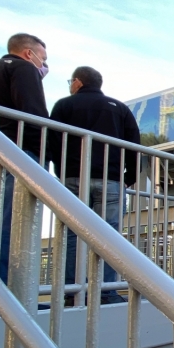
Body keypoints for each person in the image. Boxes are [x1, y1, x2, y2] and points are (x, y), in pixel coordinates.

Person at [49, 66, 141, 304]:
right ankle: (105, 291)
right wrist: (128, 177)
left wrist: (60, 171)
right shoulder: (119, 108)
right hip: (110, 180)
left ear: (78, 82)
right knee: (109, 236)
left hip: (73, 178)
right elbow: (134, 145)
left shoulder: (64, 105)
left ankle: (73, 293)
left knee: (72, 235)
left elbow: (52, 140)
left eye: (71, 81)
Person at [0, 33, 50, 283]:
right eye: (43, 58)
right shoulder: (24, 69)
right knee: (12, 224)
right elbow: (34, 113)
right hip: (17, 151)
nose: (44, 64)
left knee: (2, 219)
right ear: (28, 53)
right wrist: (44, 156)